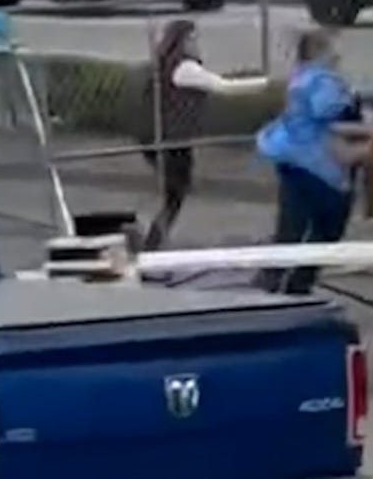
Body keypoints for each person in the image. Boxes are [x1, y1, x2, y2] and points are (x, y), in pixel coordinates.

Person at [136, 19, 268, 251]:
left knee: (175, 191)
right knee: (175, 193)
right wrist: (267, 84)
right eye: (193, 39)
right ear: (182, 41)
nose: (197, 43)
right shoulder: (184, 68)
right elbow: (224, 87)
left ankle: (153, 239)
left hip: (166, 137)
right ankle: (151, 244)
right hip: (169, 140)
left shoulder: (167, 62)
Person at [254, 28, 360, 295]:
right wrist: (349, 102)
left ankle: (275, 279)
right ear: (319, 53)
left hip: (295, 159)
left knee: (293, 226)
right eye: (333, 49)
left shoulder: (300, 78)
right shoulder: (322, 80)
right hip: (317, 165)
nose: (339, 55)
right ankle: (294, 283)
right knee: (327, 224)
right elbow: (327, 109)